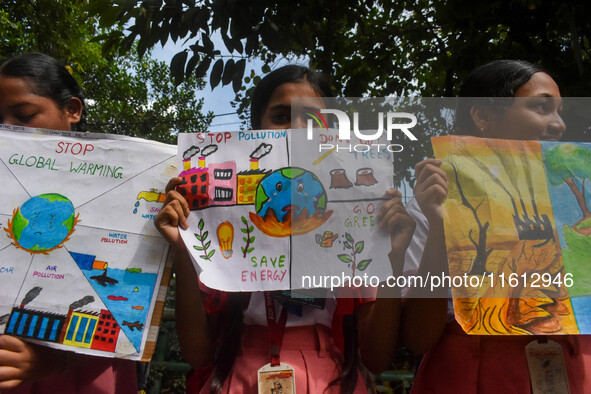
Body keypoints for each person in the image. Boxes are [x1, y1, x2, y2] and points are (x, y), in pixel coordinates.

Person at [155, 64, 416, 393]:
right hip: (237, 377)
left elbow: (377, 358)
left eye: (313, 120)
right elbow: (197, 354)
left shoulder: (354, 221)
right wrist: (183, 247)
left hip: (329, 381)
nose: (296, 130)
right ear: (254, 130)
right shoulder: (218, 220)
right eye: (280, 116)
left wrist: (393, 256)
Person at [400, 60, 591, 393]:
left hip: (570, 370)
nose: (558, 125)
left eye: (559, 112)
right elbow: (417, 338)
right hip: (468, 376)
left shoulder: (576, 207)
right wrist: (440, 228)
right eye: (541, 108)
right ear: (483, 116)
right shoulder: (430, 203)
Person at [0, 52, 136, 393]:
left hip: (85, 376)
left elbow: (128, 309)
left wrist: (57, 361)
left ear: (72, 110)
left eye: (24, 115)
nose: (7, 128)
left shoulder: (123, 190)